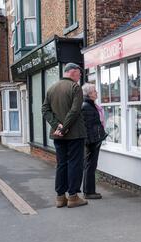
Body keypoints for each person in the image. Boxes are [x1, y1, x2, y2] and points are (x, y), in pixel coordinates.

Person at [42, 63, 88, 208]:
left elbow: (45, 110)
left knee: (61, 164)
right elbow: (75, 111)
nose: (80, 77)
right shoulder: (75, 88)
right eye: (79, 74)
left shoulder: (51, 88)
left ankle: (60, 198)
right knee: (75, 163)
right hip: (74, 134)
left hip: (58, 135)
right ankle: (73, 197)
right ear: (73, 72)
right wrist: (64, 128)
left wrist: (57, 126)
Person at [81, 83, 107, 199]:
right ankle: (89, 192)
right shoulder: (86, 106)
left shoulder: (91, 105)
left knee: (91, 165)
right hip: (92, 142)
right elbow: (86, 127)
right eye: (94, 91)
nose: (96, 92)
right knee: (90, 166)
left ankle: (89, 191)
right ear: (89, 94)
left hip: (94, 140)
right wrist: (90, 142)